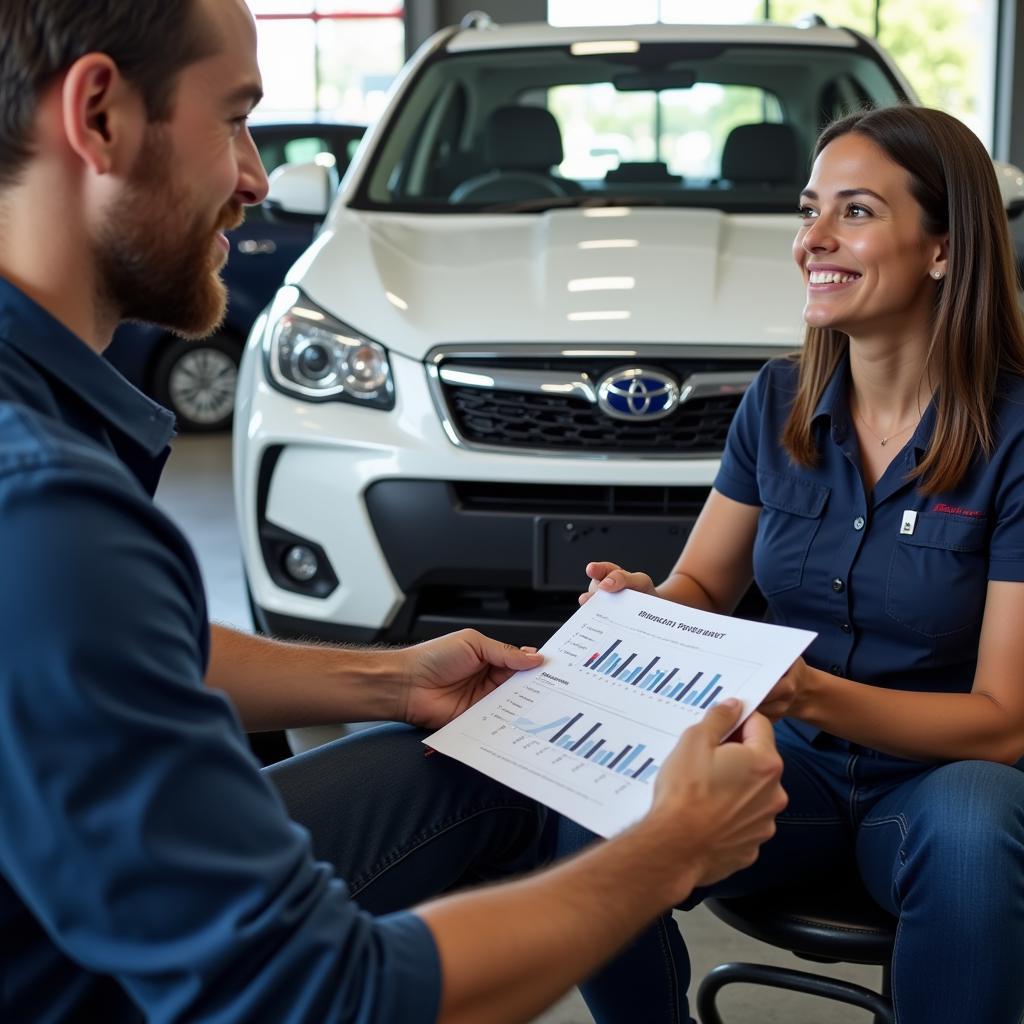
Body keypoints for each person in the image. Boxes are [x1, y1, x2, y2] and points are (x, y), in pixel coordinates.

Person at [0, 2, 788, 1022]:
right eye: (234, 117)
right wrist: (664, 849)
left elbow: (106, 652)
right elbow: (326, 993)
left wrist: (388, 678)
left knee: (499, 764)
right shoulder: (47, 513)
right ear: (99, 116)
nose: (256, 176)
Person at [568, 103, 1024, 1023]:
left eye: (855, 212)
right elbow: (705, 585)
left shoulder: (1015, 432)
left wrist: (806, 691)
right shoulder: (777, 401)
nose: (812, 238)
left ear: (944, 248)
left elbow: (1004, 724)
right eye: (809, 210)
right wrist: (650, 602)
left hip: (932, 788)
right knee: (591, 803)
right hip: (791, 774)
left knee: (978, 822)